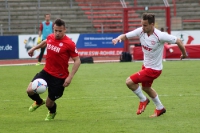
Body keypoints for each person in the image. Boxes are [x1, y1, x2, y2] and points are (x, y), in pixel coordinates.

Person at [112, 13, 187, 118]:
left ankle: (143, 100)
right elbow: (126, 35)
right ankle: (160, 108)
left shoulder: (160, 35)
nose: (143, 27)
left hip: (154, 69)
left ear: (152, 25)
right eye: (142, 24)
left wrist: (184, 54)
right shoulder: (141, 31)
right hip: (146, 66)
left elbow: (178, 41)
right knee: (146, 88)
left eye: (145, 25)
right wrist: (118, 39)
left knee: (129, 82)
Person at [27, 18, 81, 121]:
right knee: (29, 90)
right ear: (53, 29)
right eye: (55, 30)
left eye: (60, 31)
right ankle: (38, 101)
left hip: (59, 78)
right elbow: (45, 42)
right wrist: (34, 48)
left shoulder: (69, 43)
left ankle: (52, 112)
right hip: (46, 72)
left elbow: (77, 61)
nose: (57, 33)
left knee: (49, 103)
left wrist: (70, 77)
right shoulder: (50, 36)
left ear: (65, 30)